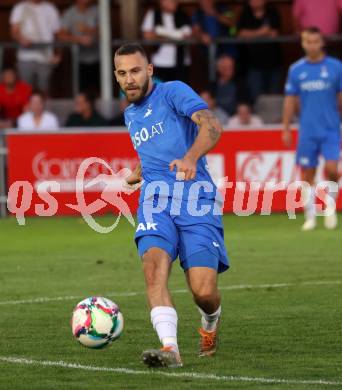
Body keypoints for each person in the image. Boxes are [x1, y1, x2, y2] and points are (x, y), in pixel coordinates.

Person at [114, 43, 229, 368]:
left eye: (135, 71)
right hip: (154, 200)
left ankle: (210, 324)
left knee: (204, 292)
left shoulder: (173, 92)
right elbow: (153, 147)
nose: (129, 79)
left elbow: (212, 125)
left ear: (149, 70)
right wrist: (140, 171)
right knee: (153, 268)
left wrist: (191, 157)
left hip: (196, 199)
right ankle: (170, 348)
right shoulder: (130, 113)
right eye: (122, 73)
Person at [283, 27, 342, 231]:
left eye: (316, 41)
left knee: (333, 170)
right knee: (307, 174)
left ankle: (330, 207)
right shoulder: (296, 70)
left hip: (331, 129)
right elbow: (290, 100)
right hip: (307, 130)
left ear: (321, 42)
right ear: (303, 43)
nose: (312, 45)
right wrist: (286, 127)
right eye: (308, 41)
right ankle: (310, 215)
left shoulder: (336, 67)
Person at [10, 0, 61, 94]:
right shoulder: (20, 8)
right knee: (25, 90)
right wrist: (21, 39)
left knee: (44, 89)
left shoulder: (50, 8)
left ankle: (44, 108)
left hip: (46, 56)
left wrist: (58, 53)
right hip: (26, 56)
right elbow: (14, 32)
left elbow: (56, 34)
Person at [238, 0, 282, 102]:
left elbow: (274, 33)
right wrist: (262, 32)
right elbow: (240, 33)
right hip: (253, 64)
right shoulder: (245, 13)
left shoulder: (272, 11)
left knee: (273, 98)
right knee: (256, 98)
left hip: (273, 63)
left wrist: (250, 35)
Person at [141, 0, 192, 82]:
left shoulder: (183, 14)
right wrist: (174, 36)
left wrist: (160, 33)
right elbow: (147, 35)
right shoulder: (153, 14)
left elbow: (188, 35)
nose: (174, 2)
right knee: (161, 91)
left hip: (181, 63)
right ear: (162, 2)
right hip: (160, 62)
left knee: (179, 92)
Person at [58, 0, 99, 93]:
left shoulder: (97, 11)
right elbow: (61, 35)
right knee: (81, 90)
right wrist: (79, 39)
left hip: (99, 58)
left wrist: (88, 30)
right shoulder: (70, 13)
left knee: (98, 89)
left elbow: (106, 31)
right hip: (78, 60)